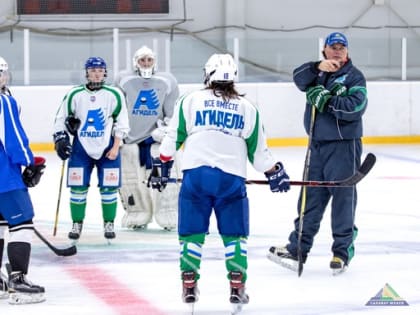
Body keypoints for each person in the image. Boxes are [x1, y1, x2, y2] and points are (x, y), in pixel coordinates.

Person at [151, 53, 290, 308]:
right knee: (234, 235)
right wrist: (275, 172)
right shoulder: (249, 108)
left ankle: (189, 283)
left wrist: (162, 164)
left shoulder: (190, 100)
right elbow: (260, 155)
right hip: (231, 179)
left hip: (196, 177)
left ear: (208, 75)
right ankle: (237, 286)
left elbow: (171, 141)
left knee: (192, 233)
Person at [267, 32, 368, 275]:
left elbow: (356, 107)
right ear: (324, 50)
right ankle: (298, 248)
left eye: (341, 47)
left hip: (344, 145)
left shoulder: (354, 76)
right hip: (317, 145)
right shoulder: (317, 73)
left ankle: (341, 252)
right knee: (309, 198)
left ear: (347, 52)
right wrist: (316, 67)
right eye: (332, 47)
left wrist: (326, 101)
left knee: (343, 198)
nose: (337, 51)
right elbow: (298, 78)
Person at [53, 56, 130, 242]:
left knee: (109, 188)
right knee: (78, 188)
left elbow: (122, 122)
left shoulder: (114, 94)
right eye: (92, 70)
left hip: (107, 148)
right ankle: (77, 223)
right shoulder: (75, 94)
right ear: (86, 72)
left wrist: (115, 147)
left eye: (100, 70)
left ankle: (109, 223)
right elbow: (61, 117)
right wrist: (61, 139)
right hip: (81, 149)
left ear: (105, 72)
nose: (96, 73)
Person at [114, 45, 180, 231]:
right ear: (136, 62)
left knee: (167, 176)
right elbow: (117, 108)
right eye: (142, 60)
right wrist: (118, 131)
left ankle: (168, 212)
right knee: (130, 179)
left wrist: (166, 130)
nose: (146, 63)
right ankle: (137, 212)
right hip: (130, 141)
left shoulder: (167, 80)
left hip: (155, 140)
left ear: (154, 61)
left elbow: (172, 112)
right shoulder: (123, 79)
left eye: (149, 60)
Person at [0, 56, 47, 304]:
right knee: (22, 222)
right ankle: (17, 281)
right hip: (4, 177)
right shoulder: (4, 100)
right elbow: (13, 138)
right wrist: (29, 162)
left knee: (0, 222)